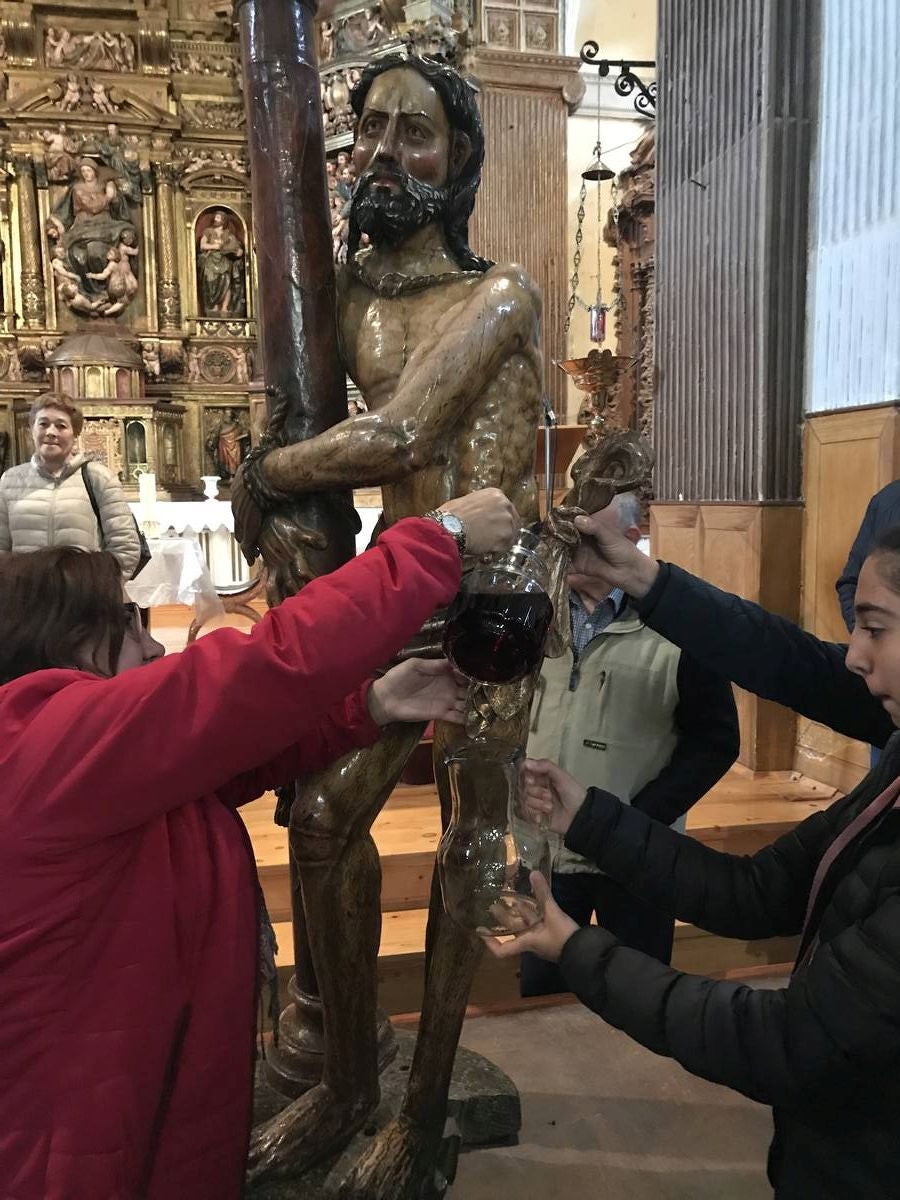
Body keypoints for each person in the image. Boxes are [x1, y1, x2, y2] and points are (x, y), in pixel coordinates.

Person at [0, 487, 516, 1200]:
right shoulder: (42, 740)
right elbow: (269, 665)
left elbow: (221, 761)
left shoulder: (85, 766)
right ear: (64, 636)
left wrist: (371, 704)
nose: (152, 643)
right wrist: (439, 537)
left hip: (138, 1085)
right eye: (128, 623)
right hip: (72, 1134)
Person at [233, 53, 545, 1194]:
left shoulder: (501, 289)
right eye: (369, 126)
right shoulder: (349, 298)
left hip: (500, 591)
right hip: (405, 581)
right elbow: (315, 412)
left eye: (417, 132)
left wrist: (271, 469)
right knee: (320, 818)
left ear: (460, 158)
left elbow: (403, 438)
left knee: (470, 840)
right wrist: (270, 466)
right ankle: (349, 1085)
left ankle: (416, 1113)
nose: (385, 150)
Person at [486, 511, 900, 1200]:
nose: (854, 655)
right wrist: (590, 816)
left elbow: (782, 1045)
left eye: (876, 627)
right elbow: (756, 891)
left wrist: (577, 949)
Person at [520, 493, 739, 995]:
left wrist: (639, 820)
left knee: (637, 997)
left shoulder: (681, 626)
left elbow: (717, 740)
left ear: (631, 538)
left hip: (638, 857)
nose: (570, 546)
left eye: (586, 533)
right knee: (541, 1007)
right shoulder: (535, 614)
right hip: (545, 854)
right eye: (563, 533)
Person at [0, 393, 140, 577]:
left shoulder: (99, 478)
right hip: (27, 597)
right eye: (43, 424)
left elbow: (125, 547)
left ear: (75, 433)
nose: (51, 432)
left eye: (61, 426)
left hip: (84, 597)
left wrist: (102, 588)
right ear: (31, 429)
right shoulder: (10, 480)